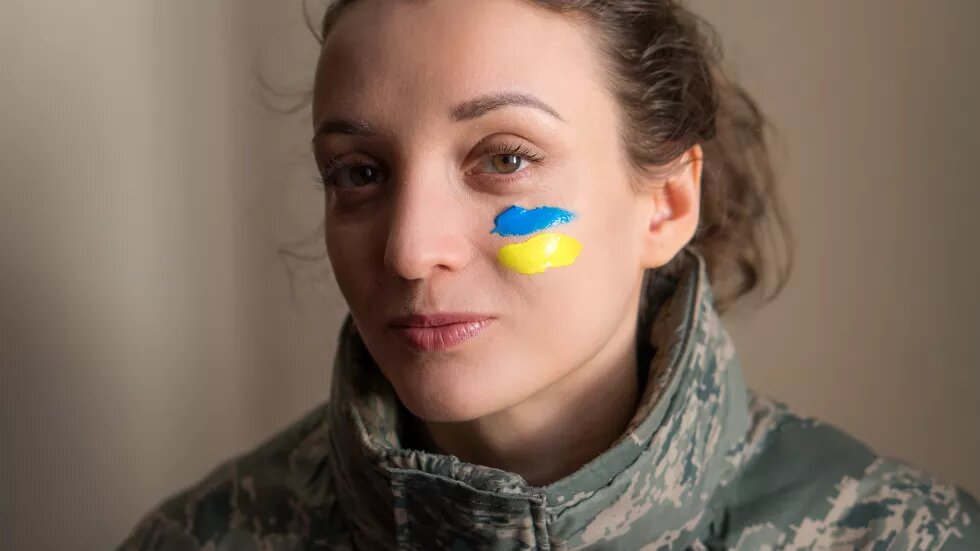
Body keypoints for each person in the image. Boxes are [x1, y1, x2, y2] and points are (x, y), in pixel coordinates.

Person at [117, 0, 980, 549]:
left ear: (668, 203)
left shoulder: (903, 537)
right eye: (360, 172)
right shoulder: (200, 539)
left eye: (505, 158)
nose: (411, 251)